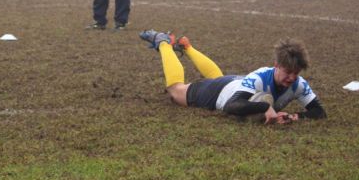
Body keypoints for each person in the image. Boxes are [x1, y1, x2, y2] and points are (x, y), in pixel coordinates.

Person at [138, 29, 326, 123]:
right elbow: (231, 106)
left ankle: (186, 46)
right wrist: (265, 107)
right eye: (288, 72)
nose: (292, 78)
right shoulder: (260, 77)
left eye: (296, 73)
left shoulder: (299, 84)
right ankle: (162, 41)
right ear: (277, 66)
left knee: (218, 76)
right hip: (217, 93)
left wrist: (295, 116)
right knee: (176, 90)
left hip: (232, 84)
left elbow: (319, 112)